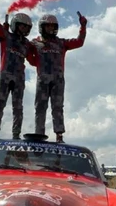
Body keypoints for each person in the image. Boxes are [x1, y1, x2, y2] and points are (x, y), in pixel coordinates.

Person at [27, 11, 87, 143]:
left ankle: (59, 135)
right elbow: (27, 54)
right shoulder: (35, 43)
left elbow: (79, 42)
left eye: (52, 26)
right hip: (42, 79)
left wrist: (83, 26)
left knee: (58, 107)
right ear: (42, 27)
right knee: (40, 107)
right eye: (47, 26)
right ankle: (39, 134)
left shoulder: (61, 43)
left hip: (58, 80)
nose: (50, 28)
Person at [0, 0, 33, 140]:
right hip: (5, 74)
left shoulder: (27, 44)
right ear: (16, 25)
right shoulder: (5, 36)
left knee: (18, 107)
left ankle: (16, 134)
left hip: (19, 78)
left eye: (27, 28)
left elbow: (35, 58)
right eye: (23, 26)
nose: (25, 30)